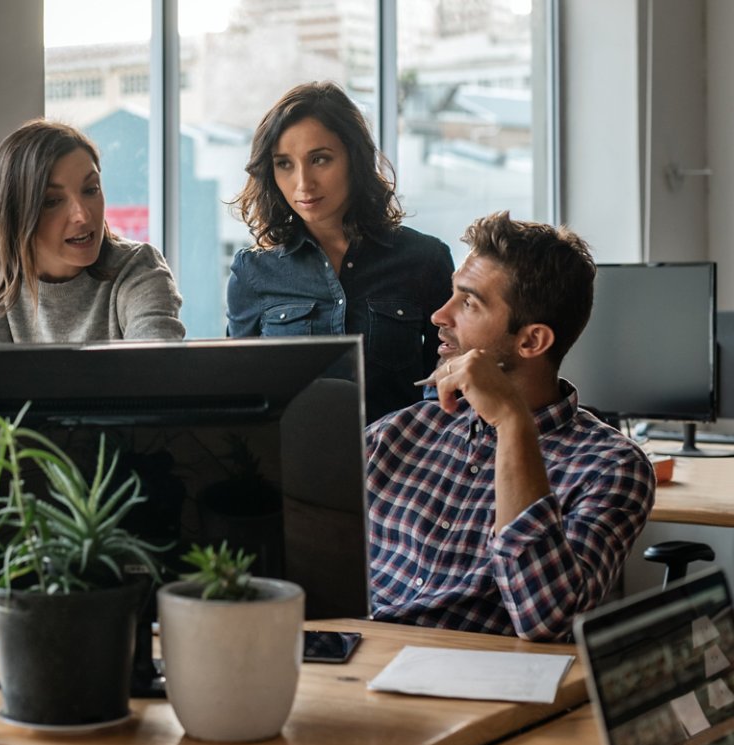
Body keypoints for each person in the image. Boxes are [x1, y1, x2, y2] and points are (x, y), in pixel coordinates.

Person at [365, 211, 655, 642]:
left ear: (531, 341)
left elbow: (547, 621)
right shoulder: (399, 434)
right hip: (351, 669)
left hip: (472, 688)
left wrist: (511, 423)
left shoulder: (611, 468)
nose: (439, 316)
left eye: (469, 303)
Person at [226, 81, 454, 423]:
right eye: (284, 164)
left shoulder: (425, 260)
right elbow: (239, 396)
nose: (303, 183)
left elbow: (449, 381)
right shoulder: (253, 272)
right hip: (292, 467)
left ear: (354, 158)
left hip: (404, 469)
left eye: (319, 159)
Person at [0, 119, 185, 343]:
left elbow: (156, 370)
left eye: (91, 189)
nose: (83, 215)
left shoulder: (139, 269)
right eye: (52, 201)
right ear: (14, 213)